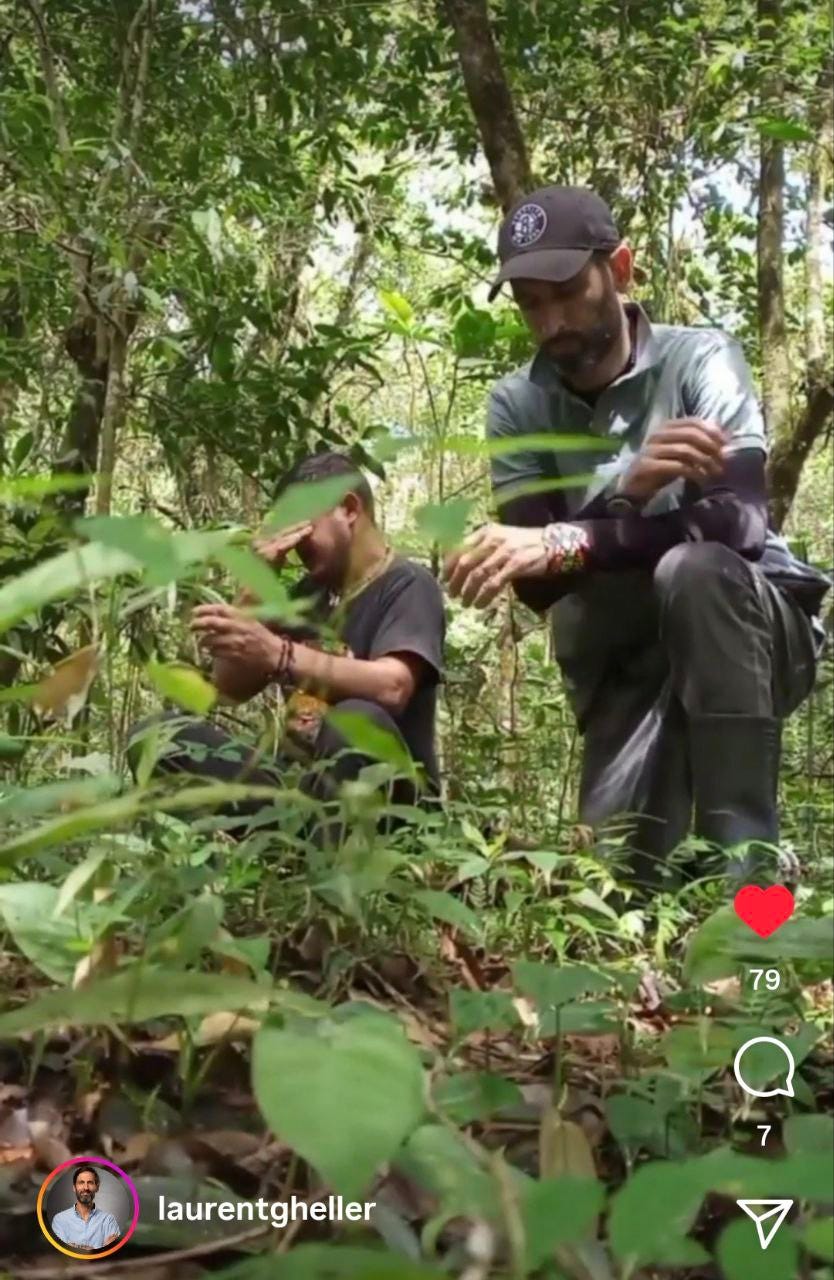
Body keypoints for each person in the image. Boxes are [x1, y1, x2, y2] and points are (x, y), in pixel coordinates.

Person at [445, 185, 829, 881]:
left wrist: (573, 539)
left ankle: (750, 892)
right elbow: (534, 581)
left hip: (753, 630)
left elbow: (740, 522)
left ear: (619, 270)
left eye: (566, 291)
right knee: (623, 883)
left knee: (697, 570)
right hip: (624, 658)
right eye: (530, 302)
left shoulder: (700, 360)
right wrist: (627, 496)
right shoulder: (516, 404)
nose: (551, 320)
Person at [130, 453, 445, 830]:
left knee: (356, 720)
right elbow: (229, 688)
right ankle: (282, 866)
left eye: (303, 525)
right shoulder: (306, 597)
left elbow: (393, 685)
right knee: (159, 736)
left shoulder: (408, 583)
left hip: (392, 805)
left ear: (347, 508)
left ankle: (330, 879)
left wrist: (280, 654)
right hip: (298, 796)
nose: (297, 544)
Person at [50, 1166, 120, 1252]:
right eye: (81, 1183)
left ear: (97, 1187)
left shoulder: (108, 1220)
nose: (86, 1188)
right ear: (74, 1188)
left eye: (90, 1183)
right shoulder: (60, 1220)